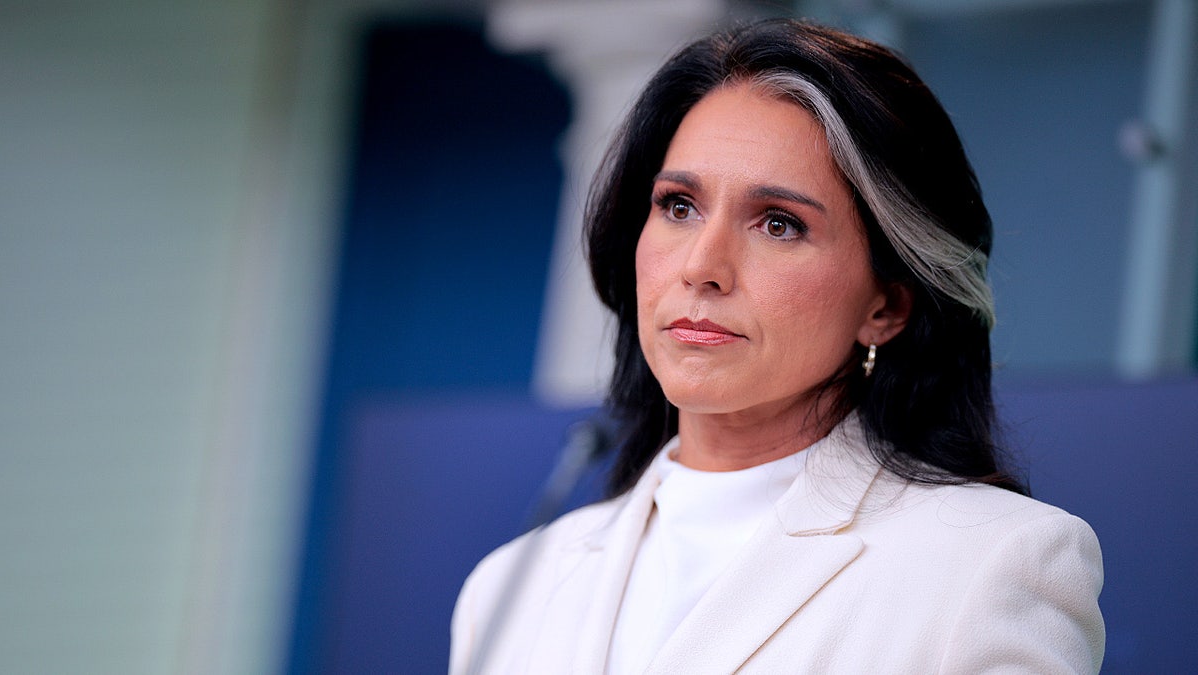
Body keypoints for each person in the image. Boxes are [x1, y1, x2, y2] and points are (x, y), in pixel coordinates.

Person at [450, 17, 1104, 674]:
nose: (703, 266)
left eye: (779, 224)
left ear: (886, 305)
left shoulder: (993, 563)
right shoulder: (509, 588)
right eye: (679, 205)